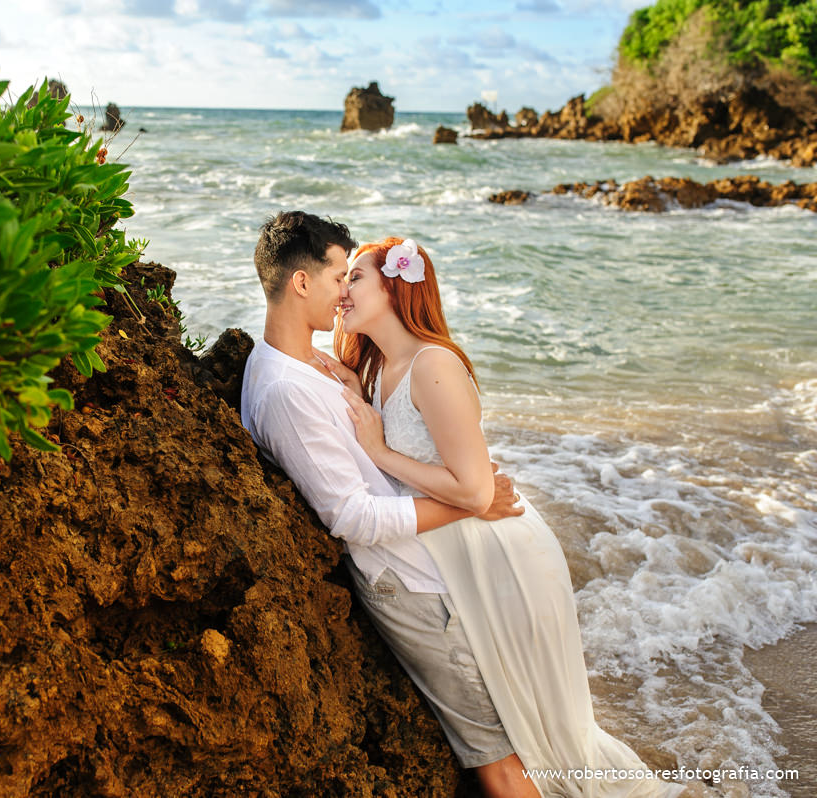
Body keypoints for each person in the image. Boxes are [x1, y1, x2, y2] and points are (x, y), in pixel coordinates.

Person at [323, 235, 682, 798]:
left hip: (500, 557)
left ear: (395, 288)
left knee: (544, 730)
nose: (342, 290)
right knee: (523, 723)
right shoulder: (381, 369)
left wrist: (380, 453)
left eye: (356, 277)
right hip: (457, 554)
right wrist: (353, 392)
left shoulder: (433, 363)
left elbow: (474, 488)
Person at [240, 211, 540, 798]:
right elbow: (353, 517)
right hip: (407, 583)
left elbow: (360, 456)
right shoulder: (284, 389)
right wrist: (474, 503)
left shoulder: (311, 369)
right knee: (500, 758)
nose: (343, 295)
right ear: (301, 283)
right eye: (337, 279)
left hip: (427, 568)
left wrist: (354, 392)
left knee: (513, 736)